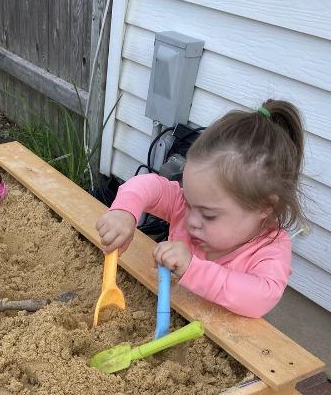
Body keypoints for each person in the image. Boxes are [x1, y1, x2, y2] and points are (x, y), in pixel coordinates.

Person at [96, 100, 305, 317]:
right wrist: (125, 212)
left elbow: (261, 298)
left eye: (208, 215)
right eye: (187, 202)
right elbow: (149, 186)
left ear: (264, 206)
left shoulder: (270, 249)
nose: (191, 220)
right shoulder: (189, 207)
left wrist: (192, 268)